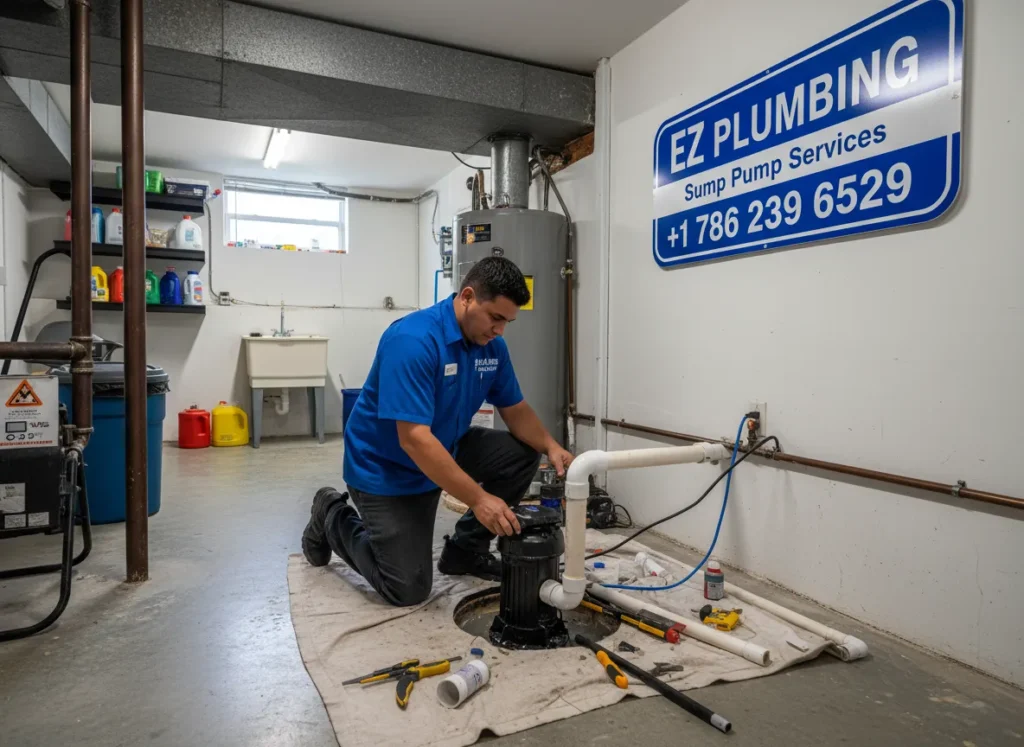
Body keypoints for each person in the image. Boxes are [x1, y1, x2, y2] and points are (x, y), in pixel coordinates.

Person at [300, 256, 574, 606]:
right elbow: (413, 439)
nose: (500, 330)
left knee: (522, 454)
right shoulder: (413, 340)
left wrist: (551, 446)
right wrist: (479, 499)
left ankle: (465, 551)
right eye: (495, 317)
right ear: (468, 297)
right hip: (386, 469)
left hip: (445, 447)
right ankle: (331, 513)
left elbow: (515, 410)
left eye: (508, 321)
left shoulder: (492, 347)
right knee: (406, 588)